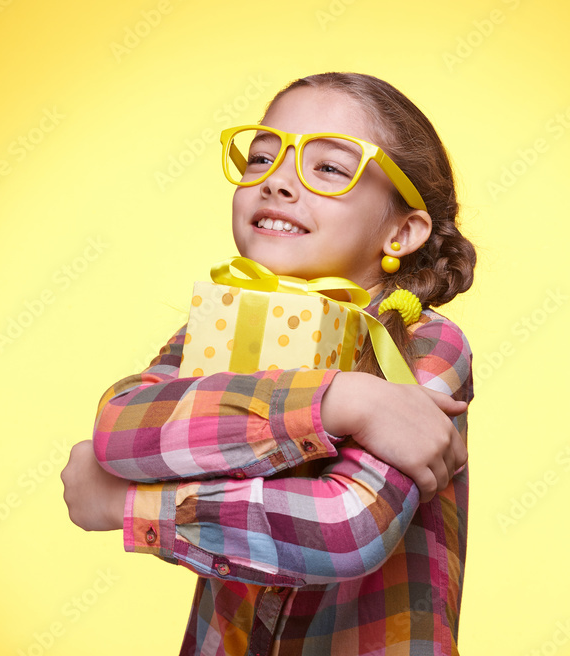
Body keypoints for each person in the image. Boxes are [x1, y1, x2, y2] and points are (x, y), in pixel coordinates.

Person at [62, 72, 477, 655]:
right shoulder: (216, 327)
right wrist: (344, 401)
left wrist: (128, 505)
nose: (278, 182)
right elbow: (121, 428)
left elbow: (345, 529)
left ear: (402, 230)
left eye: (329, 167)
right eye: (261, 158)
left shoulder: (425, 344)